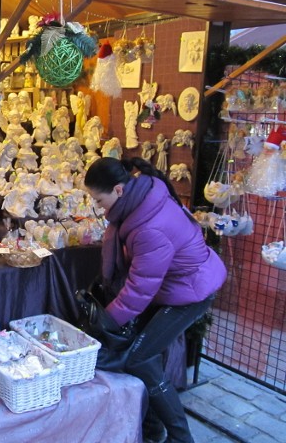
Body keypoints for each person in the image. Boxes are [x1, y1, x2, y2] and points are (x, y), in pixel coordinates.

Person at [83, 157, 226, 443]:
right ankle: (152, 431)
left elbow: (140, 288)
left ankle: (180, 438)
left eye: (100, 200)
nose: (99, 208)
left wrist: (106, 322)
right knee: (145, 354)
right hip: (173, 286)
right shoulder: (141, 200)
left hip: (190, 291)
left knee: (140, 356)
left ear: (119, 190)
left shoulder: (149, 228)